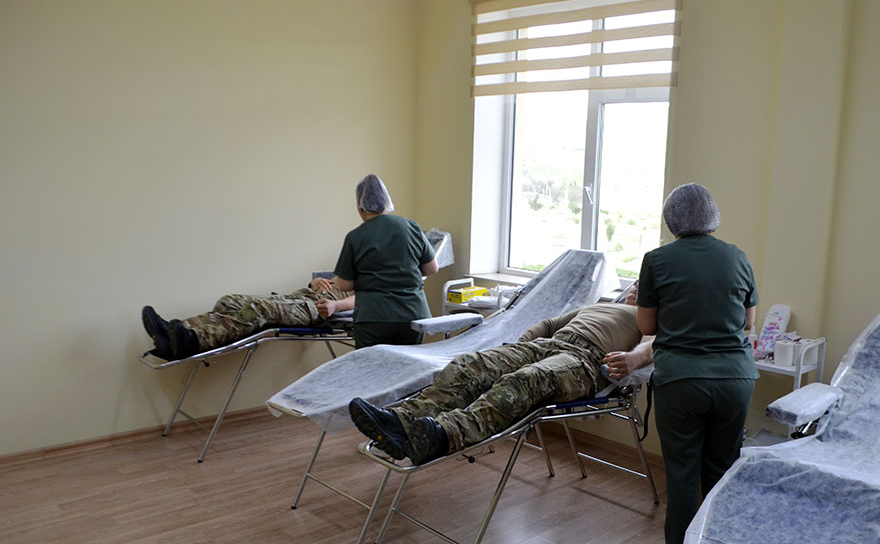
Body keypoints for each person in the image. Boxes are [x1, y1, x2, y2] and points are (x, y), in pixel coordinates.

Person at [348, 289, 653, 466]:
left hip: (585, 360)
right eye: (636, 284)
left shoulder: (650, 320)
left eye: (645, 287)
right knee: (470, 365)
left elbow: (652, 345)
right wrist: (520, 349)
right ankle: (400, 422)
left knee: (525, 381)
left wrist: (633, 359)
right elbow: (549, 324)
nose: (637, 288)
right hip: (546, 345)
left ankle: (444, 435)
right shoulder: (599, 305)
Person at [635, 183, 758, 544]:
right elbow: (748, 322)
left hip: (681, 380)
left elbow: (647, 325)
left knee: (684, 472)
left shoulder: (657, 260)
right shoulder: (737, 256)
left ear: (671, 219)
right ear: (712, 216)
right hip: (736, 379)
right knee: (723, 470)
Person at [332, 173, 439, 348]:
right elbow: (432, 268)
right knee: (408, 365)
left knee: (372, 365)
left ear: (360, 205)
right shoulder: (411, 226)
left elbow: (344, 285)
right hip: (413, 314)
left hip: (374, 317)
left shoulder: (355, 236)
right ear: (386, 200)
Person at [141, 281, 355, 360]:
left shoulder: (372, 273)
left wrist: (336, 305)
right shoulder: (357, 254)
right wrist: (314, 283)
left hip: (320, 310)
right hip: (305, 296)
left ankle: (194, 340)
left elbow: (366, 299)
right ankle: (172, 334)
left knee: (258, 310)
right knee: (228, 302)